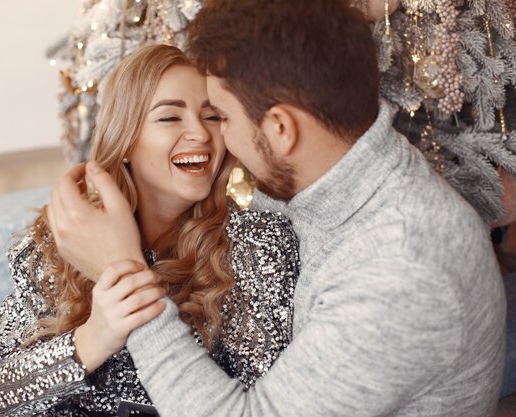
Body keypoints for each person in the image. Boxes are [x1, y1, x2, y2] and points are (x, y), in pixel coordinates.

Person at [47, 0, 507, 416]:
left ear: (282, 129)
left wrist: (124, 271)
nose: (215, 138)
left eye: (221, 117)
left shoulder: (401, 270)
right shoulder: (348, 175)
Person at [0, 44, 300, 417]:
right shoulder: (69, 236)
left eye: (212, 116)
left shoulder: (256, 245)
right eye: (169, 118)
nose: (201, 134)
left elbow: (254, 405)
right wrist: (93, 338)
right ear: (126, 140)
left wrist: (131, 289)